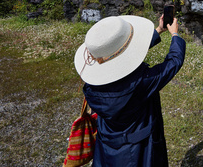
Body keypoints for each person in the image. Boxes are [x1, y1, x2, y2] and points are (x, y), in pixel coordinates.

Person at [74, 13, 186, 166]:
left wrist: (159, 30)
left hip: (107, 144)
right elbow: (173, 63)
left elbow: (119, 54)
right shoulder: (141, 83)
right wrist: (175, 35)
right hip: (140, 148)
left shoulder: (91, 85)